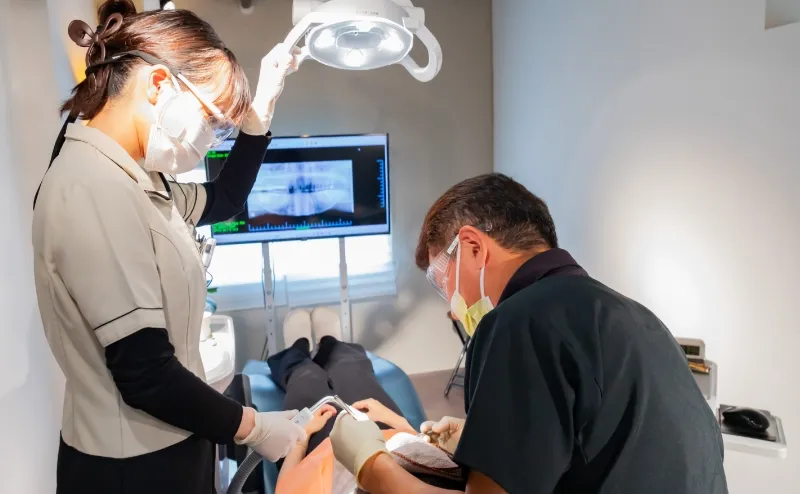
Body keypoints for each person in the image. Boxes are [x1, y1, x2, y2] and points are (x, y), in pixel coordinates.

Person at [32, 1, 306, 492]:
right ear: (159, 84)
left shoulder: (137, 179)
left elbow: (225, 199)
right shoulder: (91, 188)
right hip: (132, 467)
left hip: (174, 441)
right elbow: (146, 374)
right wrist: (255, 427)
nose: (210, 140)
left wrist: (259, 114)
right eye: (211, 120)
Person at [329, 173, 729, 493]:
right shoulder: (635, 317)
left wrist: (370, 466)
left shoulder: (519, 321)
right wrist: (482, 440)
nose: (450, 304)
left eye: (440, 279)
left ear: (473, 247)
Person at [266, 307, 466, 493]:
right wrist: (397, 422)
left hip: (320, 453)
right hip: (386, 438)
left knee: (304, 379)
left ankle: (296, 350)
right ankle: (330, 344)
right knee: (351, 370)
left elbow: (285, 488)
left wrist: (301, 439)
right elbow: (423, 459)